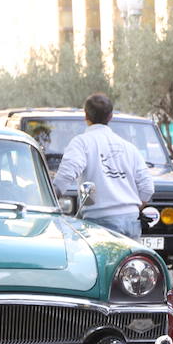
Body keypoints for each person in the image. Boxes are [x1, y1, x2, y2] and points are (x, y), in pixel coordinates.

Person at [53, 93, 154, 238]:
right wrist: (131, 208)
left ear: (86, 116)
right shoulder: (129, 148)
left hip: (100, 223)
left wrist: (47, 198)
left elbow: (65, 177)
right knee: (129, 262)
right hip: (132, 223)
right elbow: (147, 188)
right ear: (110, 116)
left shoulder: (82, 143)